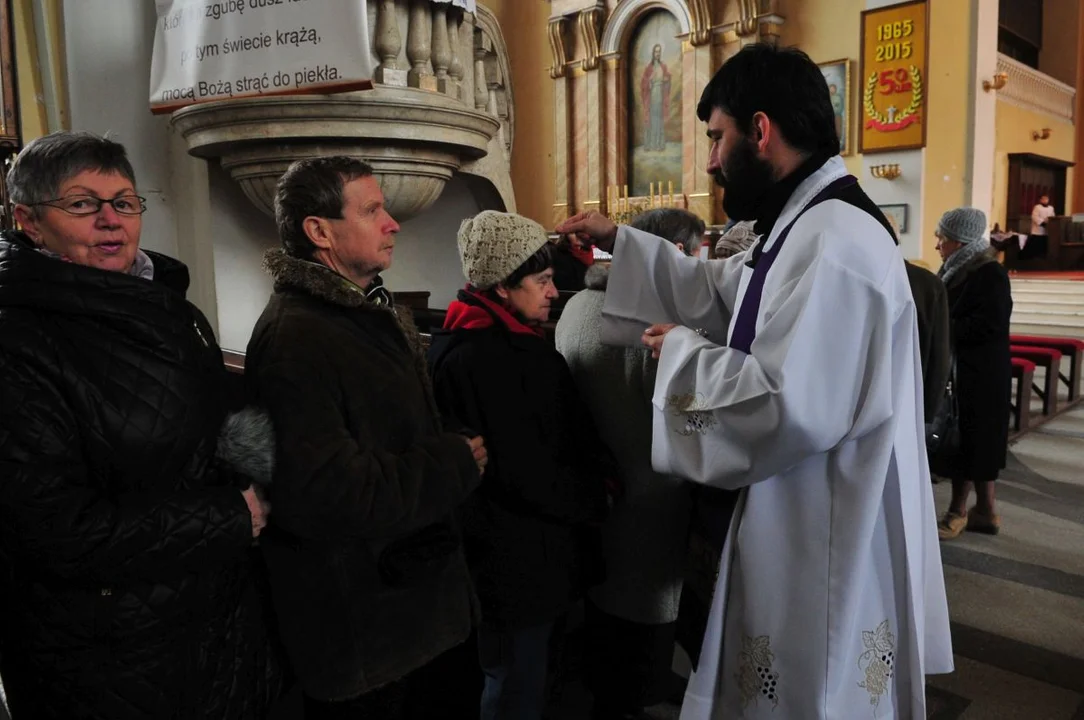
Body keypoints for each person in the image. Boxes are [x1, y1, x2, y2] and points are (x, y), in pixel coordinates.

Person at [556, 43, 952, 718]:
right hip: (804, 502)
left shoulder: (833, 244)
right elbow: (726, 291)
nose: (710, 159)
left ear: (761, 131)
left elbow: (789, 405)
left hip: (820, 517)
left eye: (716, 137)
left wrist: (679, 354)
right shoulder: (805, 224)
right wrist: (620, 241)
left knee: (809, 690)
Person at [0, 131, 281, 719]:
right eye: (82, 204)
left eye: (124, 202)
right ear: (29, 220)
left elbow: (222, 419)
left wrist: (258, 479)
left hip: (214, 618)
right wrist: (229, 516)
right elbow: (53, 530)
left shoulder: (169, 303)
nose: (111, 221)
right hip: (108, 651)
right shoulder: (19, 338)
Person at [244, 157, 486, 719]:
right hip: (370, 637)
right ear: (319, 231)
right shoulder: (296, 338)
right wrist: (452, 461)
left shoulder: (360, 312)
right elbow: (326, 495)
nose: (392, 222)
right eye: (372, 209)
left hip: (412, 611)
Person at [428, 210, 615, 720]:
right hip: (518, 558)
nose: (553, 292)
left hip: (508, 553)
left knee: (516, 675)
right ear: (503, 287)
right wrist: (596, 495)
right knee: (517, 684)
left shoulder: (466, 337)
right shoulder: (500, 358)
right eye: (543, 280)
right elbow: (527, 468)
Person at [555, 208, 702, 720]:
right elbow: (689, 428)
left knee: (604, 624)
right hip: (653, 507)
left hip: (593, 497)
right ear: (674, 254)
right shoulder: (654, 327)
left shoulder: (575, 306)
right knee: (642, 648)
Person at [933, 208, 1012, 540]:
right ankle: (987, 512)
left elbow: (989, 325)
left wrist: (941, 327)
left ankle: (958, 512)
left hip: (980, 373)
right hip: (971, 369)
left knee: (967, 442)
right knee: (980, 444)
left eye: (942, 238)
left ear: (958, 240)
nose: (937, 245)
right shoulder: (962, 266)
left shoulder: (988, 271)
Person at [641, 43, 672, 151]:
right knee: (651, 120)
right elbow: (643, 83)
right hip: (651, 96)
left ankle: (659, 144)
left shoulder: (663, 67)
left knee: (659, 120)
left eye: (659, 52)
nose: (657, 54)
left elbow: (668, 78)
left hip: (660, 96)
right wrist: (649, 80)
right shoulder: (649, 68)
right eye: (656, 51)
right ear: (653, 53)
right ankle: (650, 144)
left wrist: (666, 80)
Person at [1023, 194, 1056, 261]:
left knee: (1044, 243)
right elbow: (1034, 217)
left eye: (1047, 199)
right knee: (1035, 243)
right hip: (1038, 229)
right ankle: (1032, 258)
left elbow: (1053, 217)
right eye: (1043, 199)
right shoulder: (1037, 207)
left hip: (1047, 229)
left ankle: (1043, 257)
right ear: (1040, 200)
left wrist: (1050, 223)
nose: (1045, 200)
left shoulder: (1051, 208)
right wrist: (1042, 223)